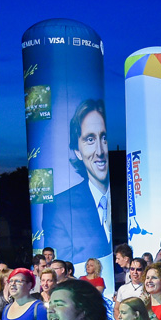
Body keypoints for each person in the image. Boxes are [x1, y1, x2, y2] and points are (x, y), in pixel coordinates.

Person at [41, 99, 112, 268]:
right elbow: (61, 268)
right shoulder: (60, 207)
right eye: (90, 139)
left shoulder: (127, 200)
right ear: (78, 151)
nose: (100, 151)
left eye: (103, 138)